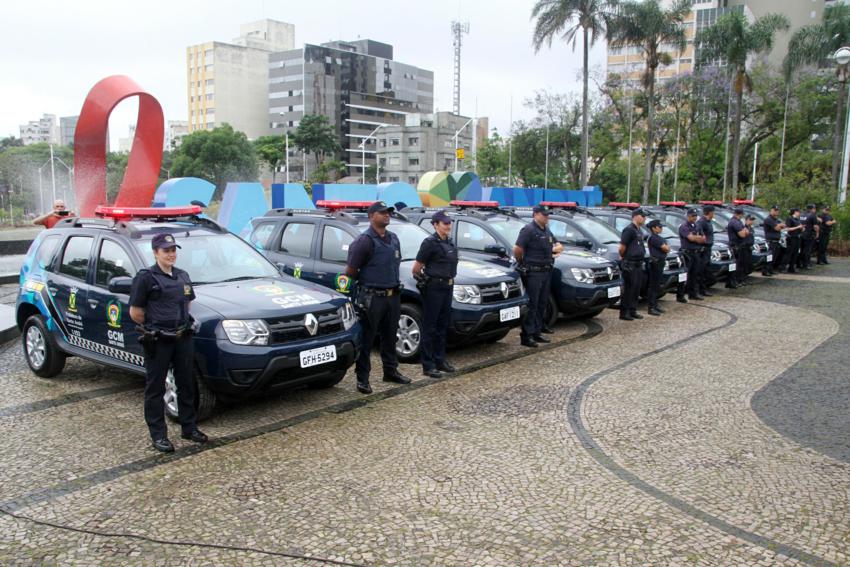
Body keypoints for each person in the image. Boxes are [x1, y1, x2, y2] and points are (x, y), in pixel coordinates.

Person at [129, 233, 207, 453]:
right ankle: (158, 435)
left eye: (173, 250)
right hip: (159, 339)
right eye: (166, 251)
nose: (171, 254)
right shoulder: (146, 278)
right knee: (155, 388)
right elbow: (136, 312)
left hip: (182, 337)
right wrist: (157, 325)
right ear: (155, 253)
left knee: (186, 384)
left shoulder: (182, 275)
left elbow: (187, 304)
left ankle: (189, 428)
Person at [345, 201, 411, 394]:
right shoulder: (364, 241)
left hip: (392, 295)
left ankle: (390, 371)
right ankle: (362, 378)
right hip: (372, 297)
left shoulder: (393, 238)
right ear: (371, 216)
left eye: (388, 212)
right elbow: (350, 271)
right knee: (367, 339)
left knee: (390, 336)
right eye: (382, 213)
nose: (387, 215)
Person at [413, 210, 458, 378]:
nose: (448, 225)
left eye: (449, 222)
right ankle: (428, 364)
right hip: (434, 289)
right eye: (445, 223)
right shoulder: (429, 243)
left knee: (442, 326)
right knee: (430, 326)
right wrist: (427, 284)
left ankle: (440, 360)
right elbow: (416, 269)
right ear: (435, 225)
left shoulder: (450, 243)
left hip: (448, 287)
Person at [514, 205, 563, 347]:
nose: (547, 217)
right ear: (535, 214)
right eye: (544, 214)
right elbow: (517, 249)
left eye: (548, 215)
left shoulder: (547, 230)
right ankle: (526, 336)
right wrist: (522, 262)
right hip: (534, 272)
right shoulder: (528, 230)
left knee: (542, 303)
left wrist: (552, 250)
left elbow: (559, 246)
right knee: (533, 304)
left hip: (546, 270)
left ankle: (537, 331)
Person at [618, 208, 647, 321]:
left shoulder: (638, 230)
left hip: (639, 263)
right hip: (630, 263)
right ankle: (624, 313)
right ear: (635, 216)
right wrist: (625, 257)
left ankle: (632, 310)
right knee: (629, 289)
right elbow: (622, 247)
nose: (644, 218)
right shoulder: (629, 230)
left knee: (636, 288)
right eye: (642, 216)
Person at [678, 208, 707, 301]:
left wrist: (696, 237)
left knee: (695, 274)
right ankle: (680, 295)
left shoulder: (697, 225)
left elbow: (704, 239)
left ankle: (693, 293)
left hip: (696, 253)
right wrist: (697, 237)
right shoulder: (684, 226)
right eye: (692, 216)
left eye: (695, 216)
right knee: (684, 275)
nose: (694, 217)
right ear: (688, 216)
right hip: (687, 254)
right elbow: (690, 238)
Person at [645, 219, 669, 316]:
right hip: (655, 263)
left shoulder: (658, 237)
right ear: (654, 228)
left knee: (657, 285)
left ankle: (655, 304)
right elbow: (666, 248)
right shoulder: (654, 238)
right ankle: (651, 306)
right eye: (659, 227)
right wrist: (666, 246)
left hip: (660, 262)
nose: (661, 228)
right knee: (653, 285)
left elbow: (666, 247)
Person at [725, 207, 749, 289]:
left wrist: (745, 231)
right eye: (741, 214)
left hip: (739, 246)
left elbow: (746, 230)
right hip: (735, 246)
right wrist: (745, 231)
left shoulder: (738, 221)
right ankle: (731, 282)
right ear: (739, 214)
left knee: (739, 265)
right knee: (734, 266)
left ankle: (734, 281)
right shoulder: (734, 222)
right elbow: (742, 234)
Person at [695, 205, 716, 297]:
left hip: (708, 249)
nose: (713, 214)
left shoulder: (708, 222)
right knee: (701, 270)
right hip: (703, 249)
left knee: (706, 270)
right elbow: (700, 235)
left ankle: (703, 289)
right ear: (709, 212)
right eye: (713, 212)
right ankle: (700, 290)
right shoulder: (701, 222)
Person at [761, 204, 785, 276]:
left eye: (777, 210)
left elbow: (784, 225)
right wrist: (780, 226)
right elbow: (777, 228)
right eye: (775, 210)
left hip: (776, 241)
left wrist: (780, 225)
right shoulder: (768, 219)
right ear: (771, 210)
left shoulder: (776, 220)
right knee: (769, 257)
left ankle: (770, 269)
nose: (776, 212)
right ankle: (766, 270)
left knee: (774, 257)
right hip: (771, 241)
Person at [781, 208, 804, 273]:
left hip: (798, 237)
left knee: (795, 253)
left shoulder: (798, 220)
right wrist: (797, 227)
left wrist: (802, 228)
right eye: (799, 212)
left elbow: (799, 228)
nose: (799, 213)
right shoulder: (790, 219)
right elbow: (787, 229)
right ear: (795, 212)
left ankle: (791, 267)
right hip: (791, 237)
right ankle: (783, 267)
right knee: (789, 253)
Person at [799, 204, 819, 270]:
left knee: (801, 250)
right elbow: (815, 226)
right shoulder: (812, 215)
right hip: (809, 235)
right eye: (814, 208)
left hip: (801, 234)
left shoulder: (801, 215)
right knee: (807, 250)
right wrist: (817, 233)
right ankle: (806, 264)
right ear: (812, 209)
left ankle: (800, 263)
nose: (815, 210)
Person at [740, 215, 756, 284]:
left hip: (750, 247)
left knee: (748, 264)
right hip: (744, 247)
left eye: (752, 220)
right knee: (743, 264)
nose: (751, 221)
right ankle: (741, 279)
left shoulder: (751, 228)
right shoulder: (743, 227)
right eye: (750, 220)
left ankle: (745, 278)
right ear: (746, 220)